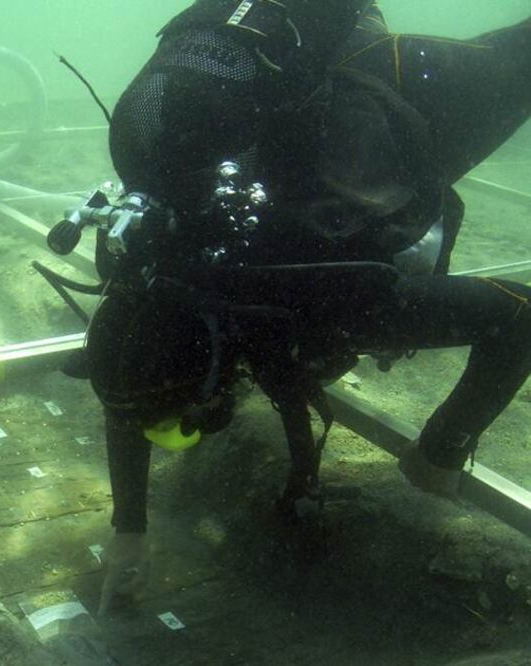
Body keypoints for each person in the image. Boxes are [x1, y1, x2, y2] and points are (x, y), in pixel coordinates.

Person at [79, 1, 531, 613]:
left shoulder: (322, 302)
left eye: (178, 427)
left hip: (401, 99)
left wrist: (441, 451)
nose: (179, 434)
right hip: (306, 72)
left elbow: (518, 313)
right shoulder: (148, 271)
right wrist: (127, 530)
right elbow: (129, 390)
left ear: (209, 383)